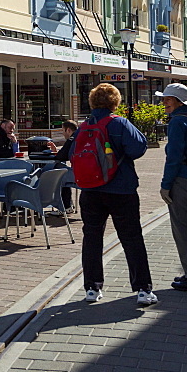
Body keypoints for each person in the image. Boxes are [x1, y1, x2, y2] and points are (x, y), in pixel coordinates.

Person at [77, 83, 156, 306]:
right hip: (120, 189)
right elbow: (138, 148)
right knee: (131, 238)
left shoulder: (84, 126)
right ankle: (143, 289)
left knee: (92, 238)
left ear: (92, 102)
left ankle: (92, 288)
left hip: (90, 191)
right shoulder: (119, 123)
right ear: (115, 103)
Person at [156, 83, 187, 293]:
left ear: (178, 101)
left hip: (181, 181)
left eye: (168, 99)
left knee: (184, 231)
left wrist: (165, 185)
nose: (164, 103)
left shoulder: (177, 122)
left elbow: (174, 158)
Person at [39, 120, 78, 214]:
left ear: (68, 130)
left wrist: (54, 153)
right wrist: (56, 151)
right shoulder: (79, 136)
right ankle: (67, 206)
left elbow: (61, 156)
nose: (63, 134)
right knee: (62, 173)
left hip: (78, 174)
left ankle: (63, 207)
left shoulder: (72, 139)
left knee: (59, 177)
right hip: (85, 172)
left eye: (63, 131)